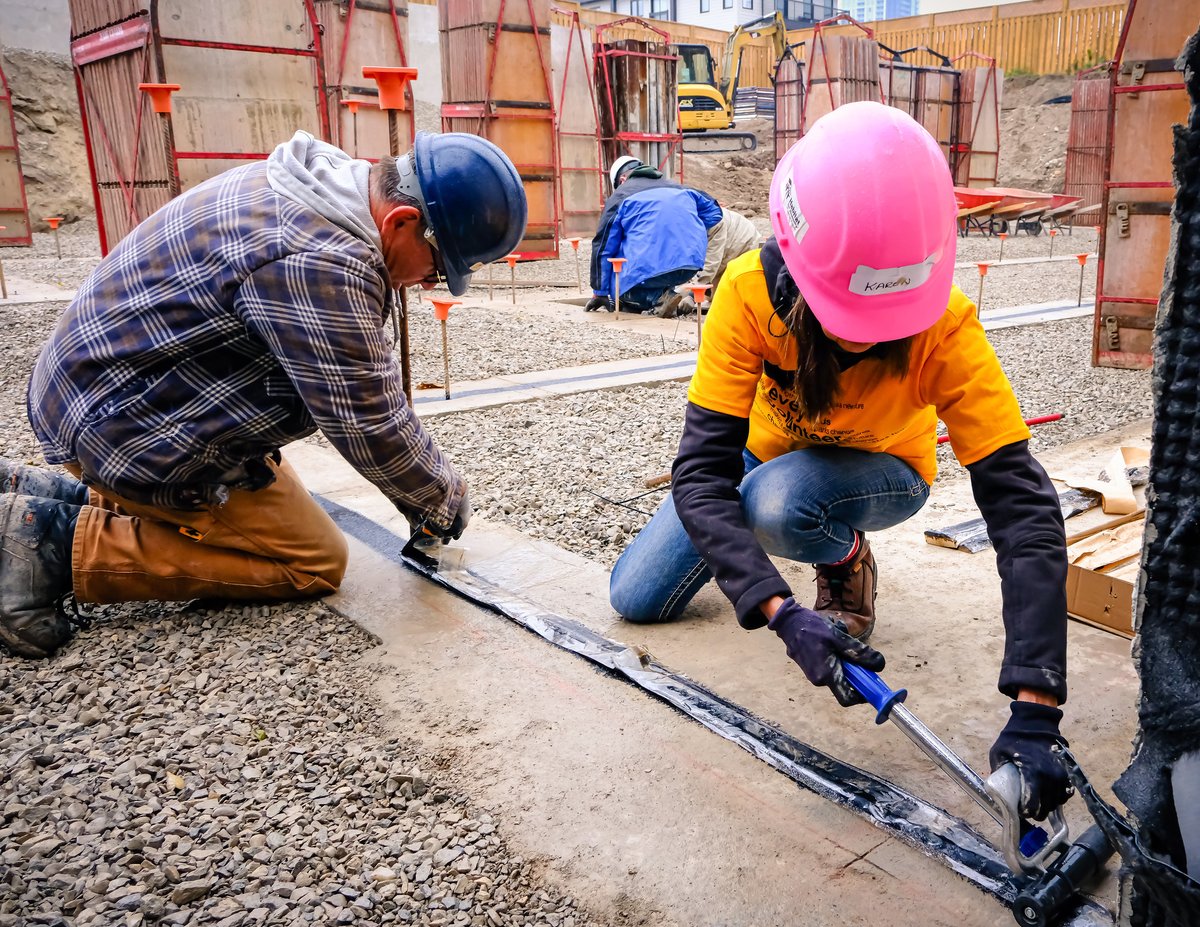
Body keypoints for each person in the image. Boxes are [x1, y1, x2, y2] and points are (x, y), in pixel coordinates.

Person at [608, 102, 1072, 824]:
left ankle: (847, 556)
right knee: (635, 596)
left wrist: (1037, 705)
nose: (864, 343)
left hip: (885, 467)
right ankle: (818, 549)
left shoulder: (944, 325)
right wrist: (779, 611)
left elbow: (1023, 506)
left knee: (773, 503)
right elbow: (700, 472)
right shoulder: (747, 293)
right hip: (775, 451)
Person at [0, 129, 527, 659]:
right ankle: (48, 543)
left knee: (283, 507)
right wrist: (438, 496)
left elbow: (359, 381)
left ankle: (52, 494)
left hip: (97, 395)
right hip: (118, 427)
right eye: (437, 268)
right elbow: (367, 417)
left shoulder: (322, 186)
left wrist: (414, 487)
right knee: (312, 560)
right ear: (402, 222)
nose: (429, 282)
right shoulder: (319, 258)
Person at [586, 155, 756, 317]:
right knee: (658, 276)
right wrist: (689, 230)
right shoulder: (678, 187)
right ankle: (663, 295)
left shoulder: (621, 196)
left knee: (618, 286)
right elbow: (714, 212)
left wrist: (600, 291)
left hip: (656, 267)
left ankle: (657, 299)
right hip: (689, 266)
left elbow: (604, 246)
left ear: (622, 181)